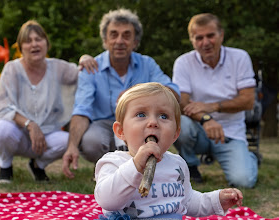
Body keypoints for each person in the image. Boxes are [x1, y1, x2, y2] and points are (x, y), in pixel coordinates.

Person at [95, 82, 243, 219]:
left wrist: (216, 200)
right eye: (141, 114)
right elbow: (107, 201)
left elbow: (188, 201)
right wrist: (135, 166)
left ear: (175, 134)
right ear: (120, 131)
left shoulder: (177, 164)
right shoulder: (114, 162)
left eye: (163, 116)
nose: (153, 122)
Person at [62, 8, 180, 179]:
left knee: (144, 124)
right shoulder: (92, 67)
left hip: (140, 121)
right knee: (91, 142)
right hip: (104, 124)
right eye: (113, 34)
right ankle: (109, 170)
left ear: (135, 41)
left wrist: (138, 94)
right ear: (105, 40)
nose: (119, 41)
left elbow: (174, 93)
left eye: (126, 35)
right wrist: (72, 146)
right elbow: (82, 110)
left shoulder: (147, 64)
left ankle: (140, 169)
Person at [0, 20, 81, 183]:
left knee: (69, 140)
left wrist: (85, 58)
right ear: (20, 47)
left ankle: (38, 165)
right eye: (28, 41)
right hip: (18, 132)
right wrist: (30, 124)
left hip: (46, 135)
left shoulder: (58, 67)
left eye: (39, 39)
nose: (34, 44)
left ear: (47, 43)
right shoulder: (11, 69)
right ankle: (5, 166)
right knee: (1, 129)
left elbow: (81, 73)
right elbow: (2, 107)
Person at [172, 13, 258, 188]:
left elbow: (248, 101)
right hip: (199, 129)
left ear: (221, 35)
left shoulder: (240, 57)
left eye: (210, 35)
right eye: (199, 37)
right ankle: (190, 165)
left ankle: (250, 158)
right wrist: (206, 119)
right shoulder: (183, 62)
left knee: (244, 181)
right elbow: (181, 104)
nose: (206, 42)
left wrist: (212, 107)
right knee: (178, 123)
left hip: (231, 133)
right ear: (192, 40)